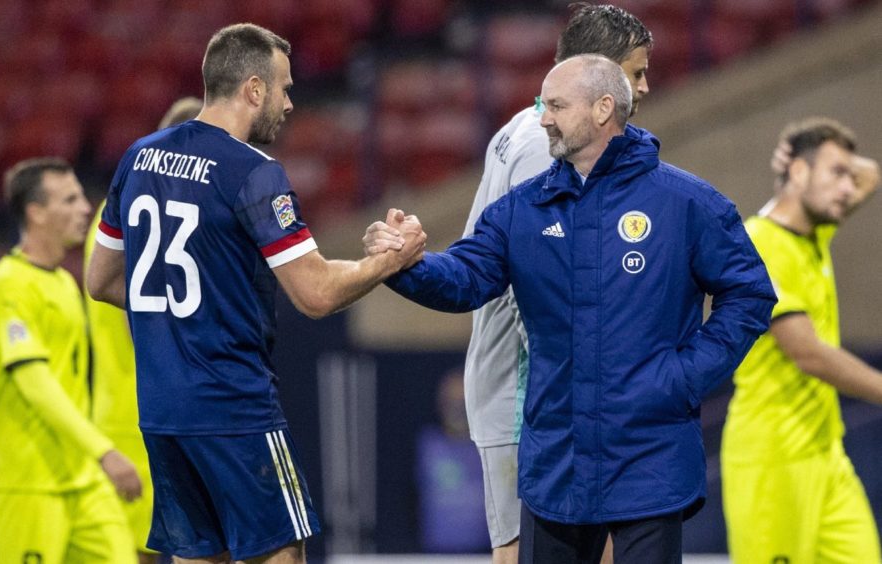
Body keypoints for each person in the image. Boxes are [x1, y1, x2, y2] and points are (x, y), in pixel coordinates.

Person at [372, 55, 776, 562]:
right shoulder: (522, 208)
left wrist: (684, 376)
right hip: (556, 463)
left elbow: (751, 294)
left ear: (604, 108)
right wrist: (404, 263)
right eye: (544, 104)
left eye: (556, 105)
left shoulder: (687, 203)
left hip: (650, 457)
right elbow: (466, 278)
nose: (542, 117)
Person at [85, 24, 425, 564]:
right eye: (285, 88)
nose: (290, 103)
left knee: (199, 556)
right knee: (281, 555)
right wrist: (389, 262)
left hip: (162, 411)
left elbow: (100, 281)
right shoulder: (253, 172)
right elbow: (314, 294)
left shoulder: (137, 157)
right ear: (253, 89)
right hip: (234, 409)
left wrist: (186, 307)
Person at [364, 6, 652, 563]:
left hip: (541, 389)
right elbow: (534, 279)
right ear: (601, 79)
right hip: (529, 390)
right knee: (529, 551)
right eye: (636, 72)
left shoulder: (529, 129)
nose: (644, 86)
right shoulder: (542, 146)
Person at [721, 118, 882, 564]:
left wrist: (828, 159)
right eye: (836, 174)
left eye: (849, 177)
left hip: (827, 457)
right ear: (797, 174)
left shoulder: (814, 232)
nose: (850, 187)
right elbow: (806, 353)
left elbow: (872, 175)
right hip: (773, 461)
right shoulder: (757, 243)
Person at [0, 158, 141, 564]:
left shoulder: (67, 284)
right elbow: (34, 382)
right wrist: (104, 450)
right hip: (27, 486)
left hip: (82, 481)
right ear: (36, 213)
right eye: (69, 200)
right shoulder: (9, 285)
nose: (86, 208)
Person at [83, 95, 203, 564]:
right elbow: (149, 325)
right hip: (145, 421)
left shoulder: (116, 211)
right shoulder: (153, 215)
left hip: (129, 415)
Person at [415, 368, 490, 553]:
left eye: (464, 403)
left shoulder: (491, 449)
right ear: (441, 404)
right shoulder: (428, 445)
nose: (458, 411)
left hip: (483, 555)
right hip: (436, 554)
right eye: (452, 403)